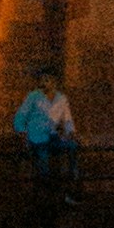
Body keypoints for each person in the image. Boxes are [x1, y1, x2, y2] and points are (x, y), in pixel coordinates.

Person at [12, 74, 80, 208]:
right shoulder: (33, 97)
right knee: (44, 163)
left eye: (47, 80)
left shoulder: (61, 99)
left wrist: (70, 133)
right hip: (36, 136)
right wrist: (23, 133)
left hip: (52, 135)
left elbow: (67, 119)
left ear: (55, 82)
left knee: (72, 147)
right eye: (42, 80)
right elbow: (20, 116)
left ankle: (72, 180)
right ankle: (47, 197)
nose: (44, 83)